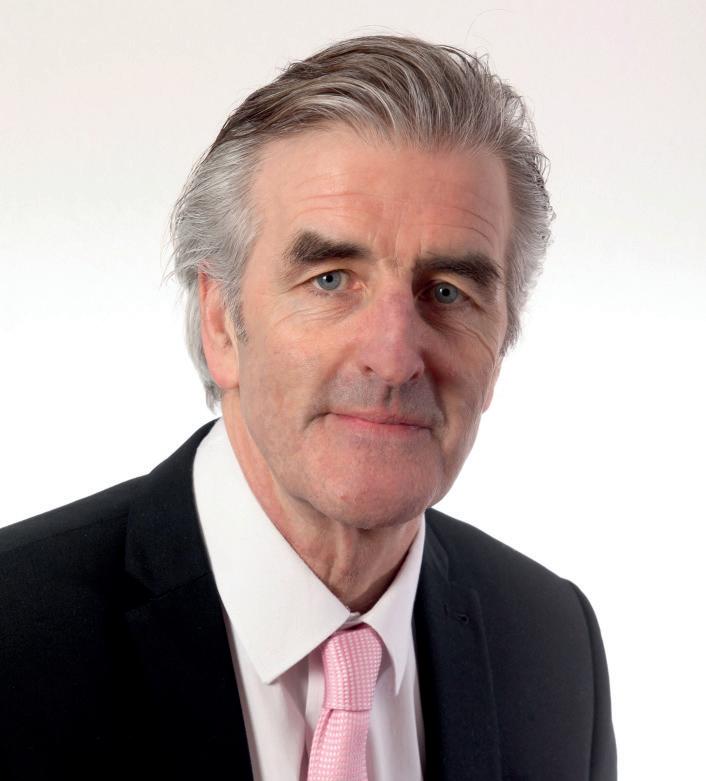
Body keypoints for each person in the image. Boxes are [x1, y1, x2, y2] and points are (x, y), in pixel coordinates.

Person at [0, 35, 617, 780]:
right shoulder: (15, 632)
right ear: (221, 322)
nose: (394, 356)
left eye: (448, 292)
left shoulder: (553, 645)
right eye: (331, 279)